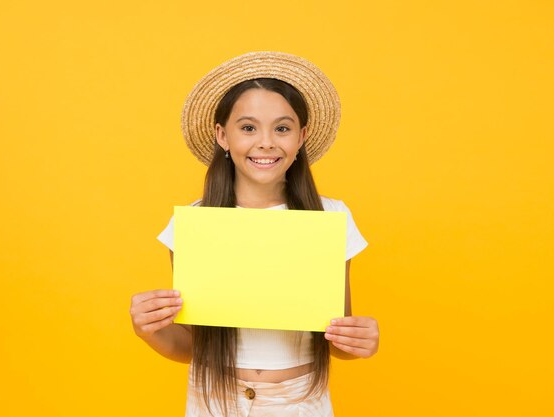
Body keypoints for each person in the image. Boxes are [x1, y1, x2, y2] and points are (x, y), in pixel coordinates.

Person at [130, 51, 380, 417]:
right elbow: (191, 346)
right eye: (248, 128)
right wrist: (148, 329)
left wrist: (360, 341)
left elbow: (335, 336)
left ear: (301, 136)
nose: (266, 142)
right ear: (223, 136)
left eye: (282, 128)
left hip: (299, 402)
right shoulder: (197, 222)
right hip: (215, 401)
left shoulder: (330, 216)